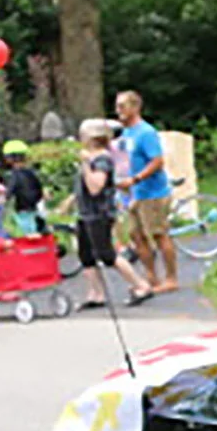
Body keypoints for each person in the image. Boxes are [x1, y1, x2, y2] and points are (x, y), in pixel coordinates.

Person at [58, 119, 153, 308]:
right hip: (85, 212)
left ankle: (141, 285)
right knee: (85, 254)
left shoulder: (102, 160)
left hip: (99, 213)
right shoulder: (92, 158)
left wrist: (85, 164)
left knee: (106, 254)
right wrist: (71, 200)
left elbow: (95, 187)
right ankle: (96, 293)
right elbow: (84, 186)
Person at [114, 90, 177, 293]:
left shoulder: (146, 132)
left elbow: (157, 161)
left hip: (153, 192)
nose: (118, 111)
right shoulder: (126, 133)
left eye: (122, 106)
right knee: (136, 235)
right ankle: (151, 276)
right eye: (117, 107)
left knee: (159, 234)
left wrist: (136, 179)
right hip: (134, 194)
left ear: (135, 107)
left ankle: (171, 278)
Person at [1, 139, 47, 236]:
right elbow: (39, 190)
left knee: (27, 239)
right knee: (36, 235)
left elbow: (8, 193)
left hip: (22, 211)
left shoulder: (14, 175)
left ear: (11, 158)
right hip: (35, 210)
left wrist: (2, 199)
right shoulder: (32, 173)